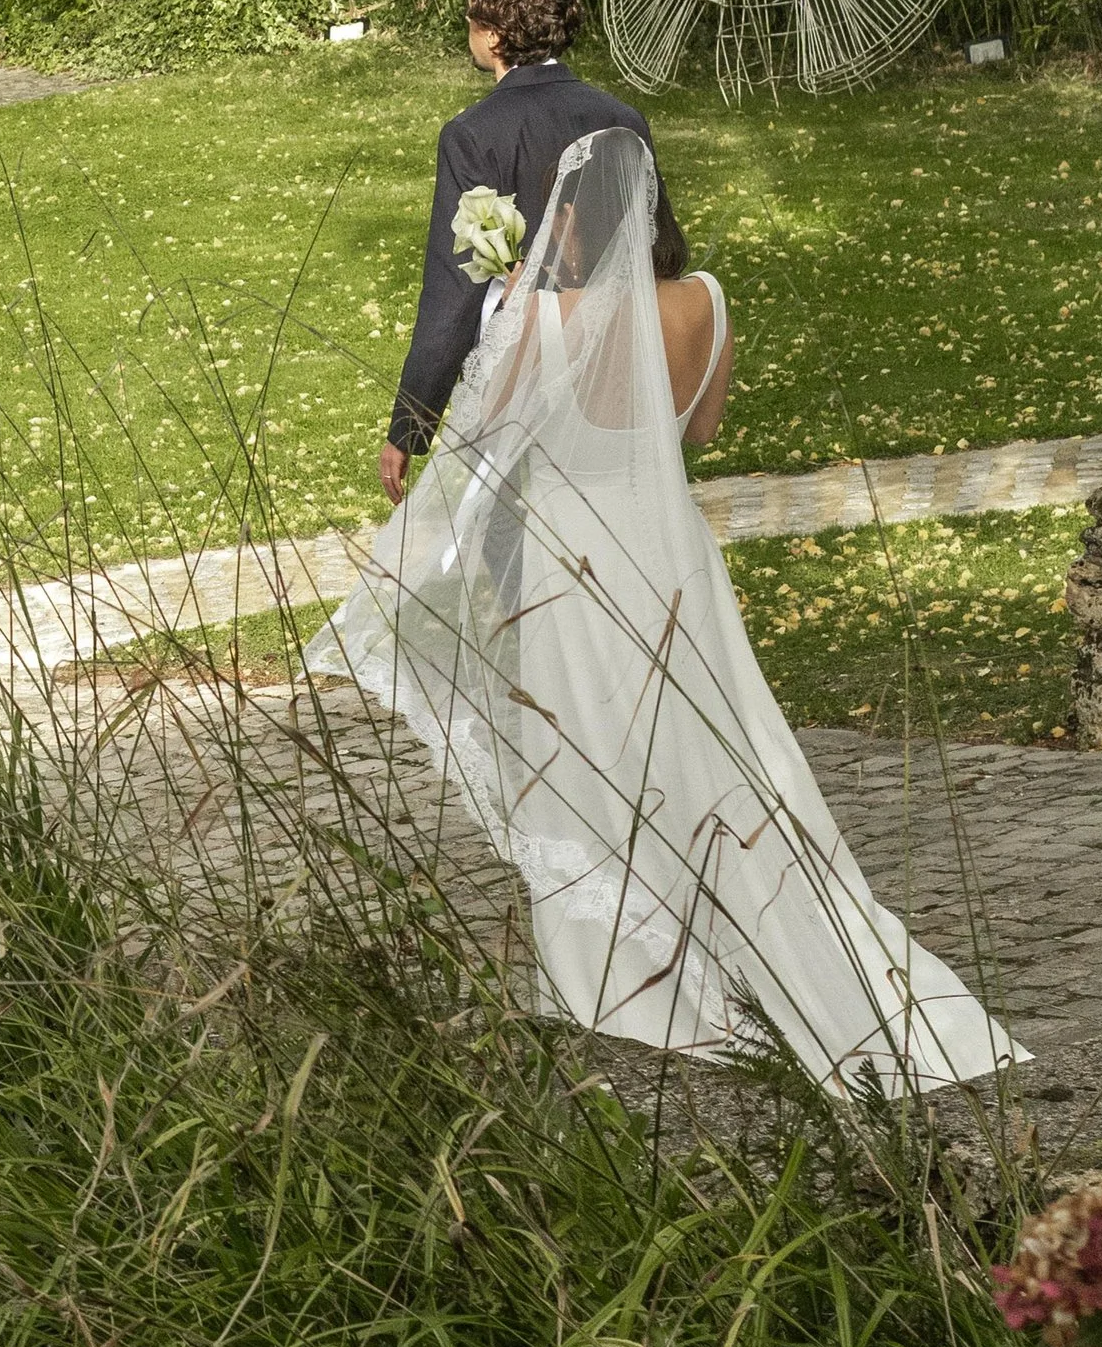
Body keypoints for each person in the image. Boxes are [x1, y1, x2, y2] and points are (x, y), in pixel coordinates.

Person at [313, 118, 1022, 1092]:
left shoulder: (550, 318)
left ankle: (618, 973)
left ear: (575, 222)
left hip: (574, 556)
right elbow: (701, 427)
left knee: (580, 754)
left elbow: (485, 436)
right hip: (674, 552)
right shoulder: (706, 302)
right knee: (714, 749)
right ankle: (764, 946)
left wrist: (508, 311)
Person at [379, 0, 672, 508]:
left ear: (492, 37)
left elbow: (453, 294)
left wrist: (409, 426)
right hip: (613, 359)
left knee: (508, 536)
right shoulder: (624, 118)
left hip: (521, 366)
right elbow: (654, 242)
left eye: (471, 22)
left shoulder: (472, 135)